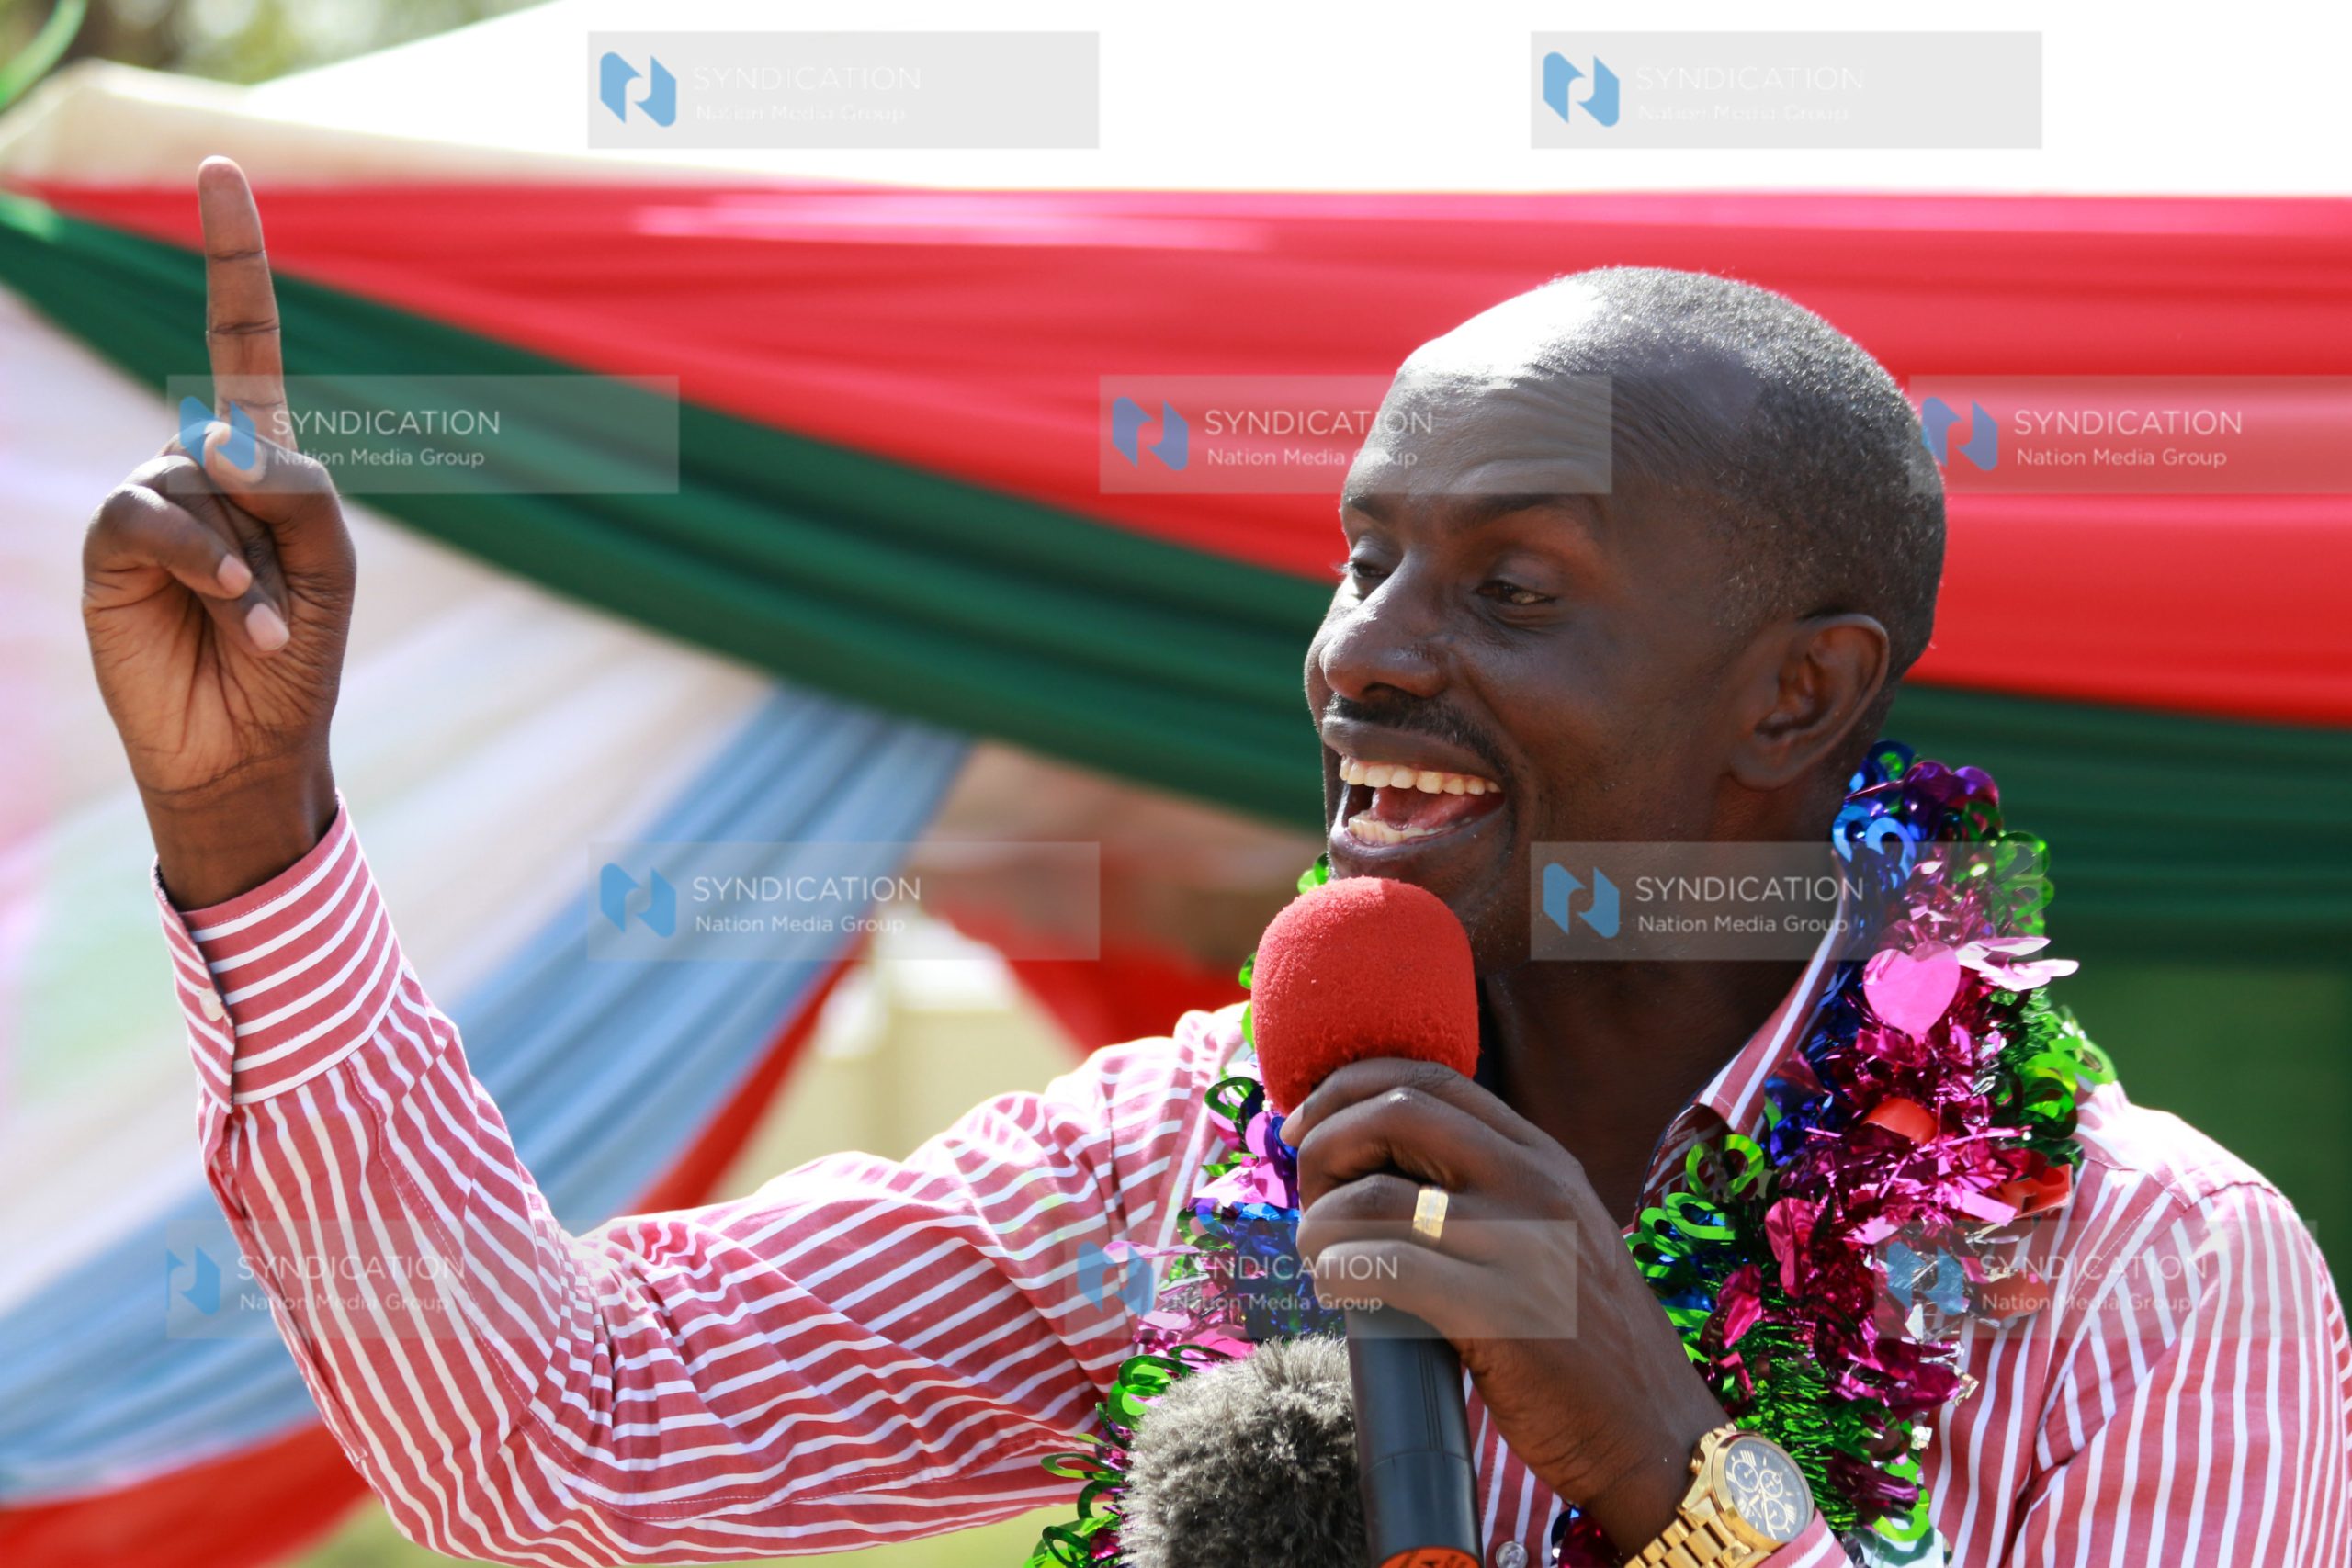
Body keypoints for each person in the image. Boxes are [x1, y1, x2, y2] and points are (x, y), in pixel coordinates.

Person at [85, 158, 2348, 1568]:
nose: (1364, 658)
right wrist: (249, 836)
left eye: (1511, 588)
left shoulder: (2142, 1265)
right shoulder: (1199, 1147)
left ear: (1793, 691)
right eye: (1358, 559)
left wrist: (1663, 1461)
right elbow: (564, 1435)